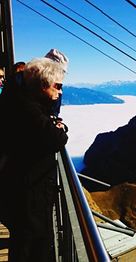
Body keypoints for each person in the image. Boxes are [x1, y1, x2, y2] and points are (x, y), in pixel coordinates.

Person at [0, 51, 69, 262]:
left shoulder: (17, 99)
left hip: (19, 188)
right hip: (29, 193)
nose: (60, 91)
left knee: (24, 242)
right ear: (42, 86)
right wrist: (60, 128)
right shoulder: (28, 110)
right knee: (30, 245)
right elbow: (56, 138)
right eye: (57, 86)